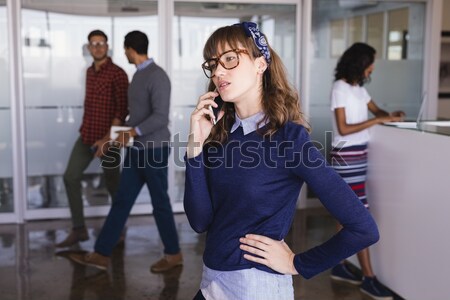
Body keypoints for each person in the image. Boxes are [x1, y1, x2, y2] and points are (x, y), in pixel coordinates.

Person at [184, 22, 380, 300]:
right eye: (213, 64)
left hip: (254, 288)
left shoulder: (290, 139)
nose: (217, 71)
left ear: (260, 64)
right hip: (211, 281)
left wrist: (297, 263)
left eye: (229, 59)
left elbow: (364, 228)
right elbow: (200, 221)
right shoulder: (220, 133)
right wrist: (195, 148)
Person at [69, 30, 182, 273]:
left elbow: (161, 118)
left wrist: (130, 133)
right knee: (121, 200)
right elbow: (135, 116)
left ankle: (173, 254)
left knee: (160, 203)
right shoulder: (138, 76)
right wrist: (112, 139)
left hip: (155, 150)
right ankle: (101, 254)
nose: (124, 54)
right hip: (136, 150)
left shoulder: (157, 76)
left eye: (125, 50)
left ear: (130, 49)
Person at [329, 42, 404, 300]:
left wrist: (389, 114)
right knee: (359, 217)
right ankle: (369, 279)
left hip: (359, 157)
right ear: (360, 64)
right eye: (371, 63)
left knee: (344, 212)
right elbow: (343, 128)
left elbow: (377, 111)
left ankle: (339, 265)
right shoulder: (340, 88)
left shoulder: (358, 89)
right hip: (346, 158)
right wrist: (379, 119)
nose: (373, 68)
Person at [56, 30, 128, 248]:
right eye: (93, 44)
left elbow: (122, 110)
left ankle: (118, 229)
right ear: (88, 48)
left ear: (107, 46)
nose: (97, 47)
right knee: (70, 177)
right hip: (87, 134)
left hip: (110, 139)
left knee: (114, 186)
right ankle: (79, 229)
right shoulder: (89, 72)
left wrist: (107, 139)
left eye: (101, 43)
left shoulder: (118, 73)